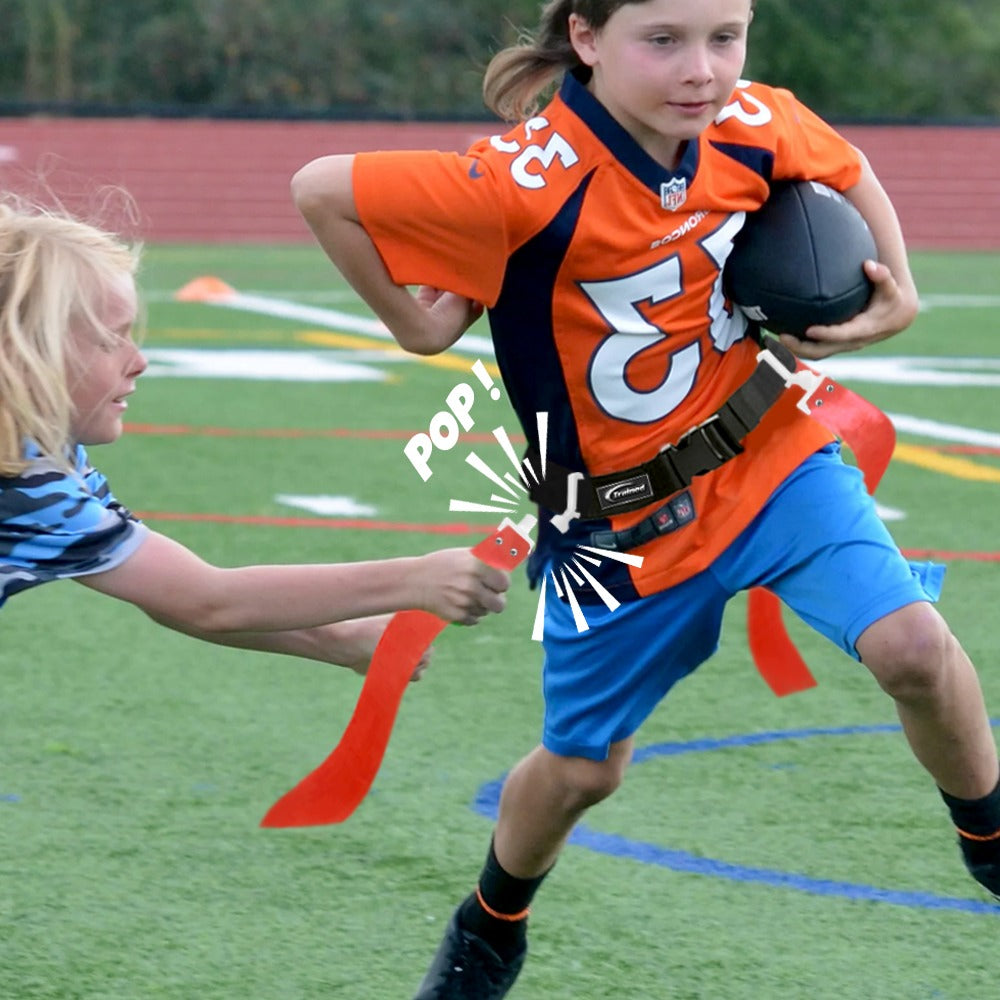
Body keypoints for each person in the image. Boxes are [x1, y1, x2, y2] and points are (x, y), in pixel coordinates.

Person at [289, 0, 1000, 996]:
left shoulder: (752, 122)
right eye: (662, 39)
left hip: (766, 455)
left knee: (914, 647)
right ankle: (493, 918)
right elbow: (321, 187)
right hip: (616, 525)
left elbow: (843, 168)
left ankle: (990, 845)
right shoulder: (521, 182)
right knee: (582, 771)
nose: (702, 68)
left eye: (724, 36)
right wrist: (414, 325)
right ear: (585, 38)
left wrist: (902, 287)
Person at [0, 196, 511, 691]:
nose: (139, 360)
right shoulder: (26, 483)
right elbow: (209, 600)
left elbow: (171, 596)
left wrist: (336, 640)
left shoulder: (43, 453)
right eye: (111, 339)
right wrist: (415, 579)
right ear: (26, 350)